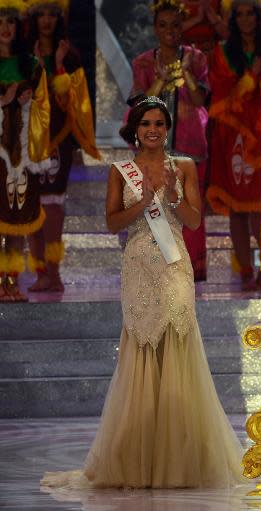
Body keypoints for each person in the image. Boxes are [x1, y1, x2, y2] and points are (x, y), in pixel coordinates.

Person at [41, 96, 243, 489]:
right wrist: (145, 204)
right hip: (137, 266)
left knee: (176, 340)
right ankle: (140, 460)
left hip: (173, 267)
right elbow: (111, 222)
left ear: (167, 129)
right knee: (143, 347)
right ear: (136, 129)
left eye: (160, 124)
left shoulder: (183, 167)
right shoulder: (121, 171)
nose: (153, 130)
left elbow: (195, 219)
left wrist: (170, 198)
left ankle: (181, 459)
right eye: (147, 124)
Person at [130, 0, 209, 281]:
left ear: (183, 27)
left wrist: (185, 73)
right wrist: (160, 81)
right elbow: (139, 105)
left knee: (188, 207)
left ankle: (191, 272)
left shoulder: (197, 59)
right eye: (163, 25)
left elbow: (200, 100)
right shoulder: (142, 62)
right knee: (153, 207)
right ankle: (157, 270)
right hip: (152, 150)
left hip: (189, 147)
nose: (170, 31)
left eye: (175, 25)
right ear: (154, 28)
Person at [26, 0, 100, 293]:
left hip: (57, 141)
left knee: (52, 206)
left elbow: (72, 104)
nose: (46, 21)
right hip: (25, 141)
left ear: (60, 18)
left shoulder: (70, 57)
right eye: (41, 14)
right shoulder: (22, 53)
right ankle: (40, 271)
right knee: (29, 206)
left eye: (51, 14)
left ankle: (54, 273)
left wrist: (56, 66)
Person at [206, 0, 261, 290]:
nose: (246, 19)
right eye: (240, 14)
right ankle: (246, 269)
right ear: (232, 19)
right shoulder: (223, 54)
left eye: (251, 14)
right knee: (237, 208)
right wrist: (251, 78)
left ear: (259, 19)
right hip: (232, 135)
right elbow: (222, 94)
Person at [0, 1, 50, 303]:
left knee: (17, 219)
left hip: (21, 154)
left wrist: (29, 100)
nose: (5, 27)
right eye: (0, 21)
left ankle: (11, 281)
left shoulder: (30, 64)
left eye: (10, 21)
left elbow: (44, 108)